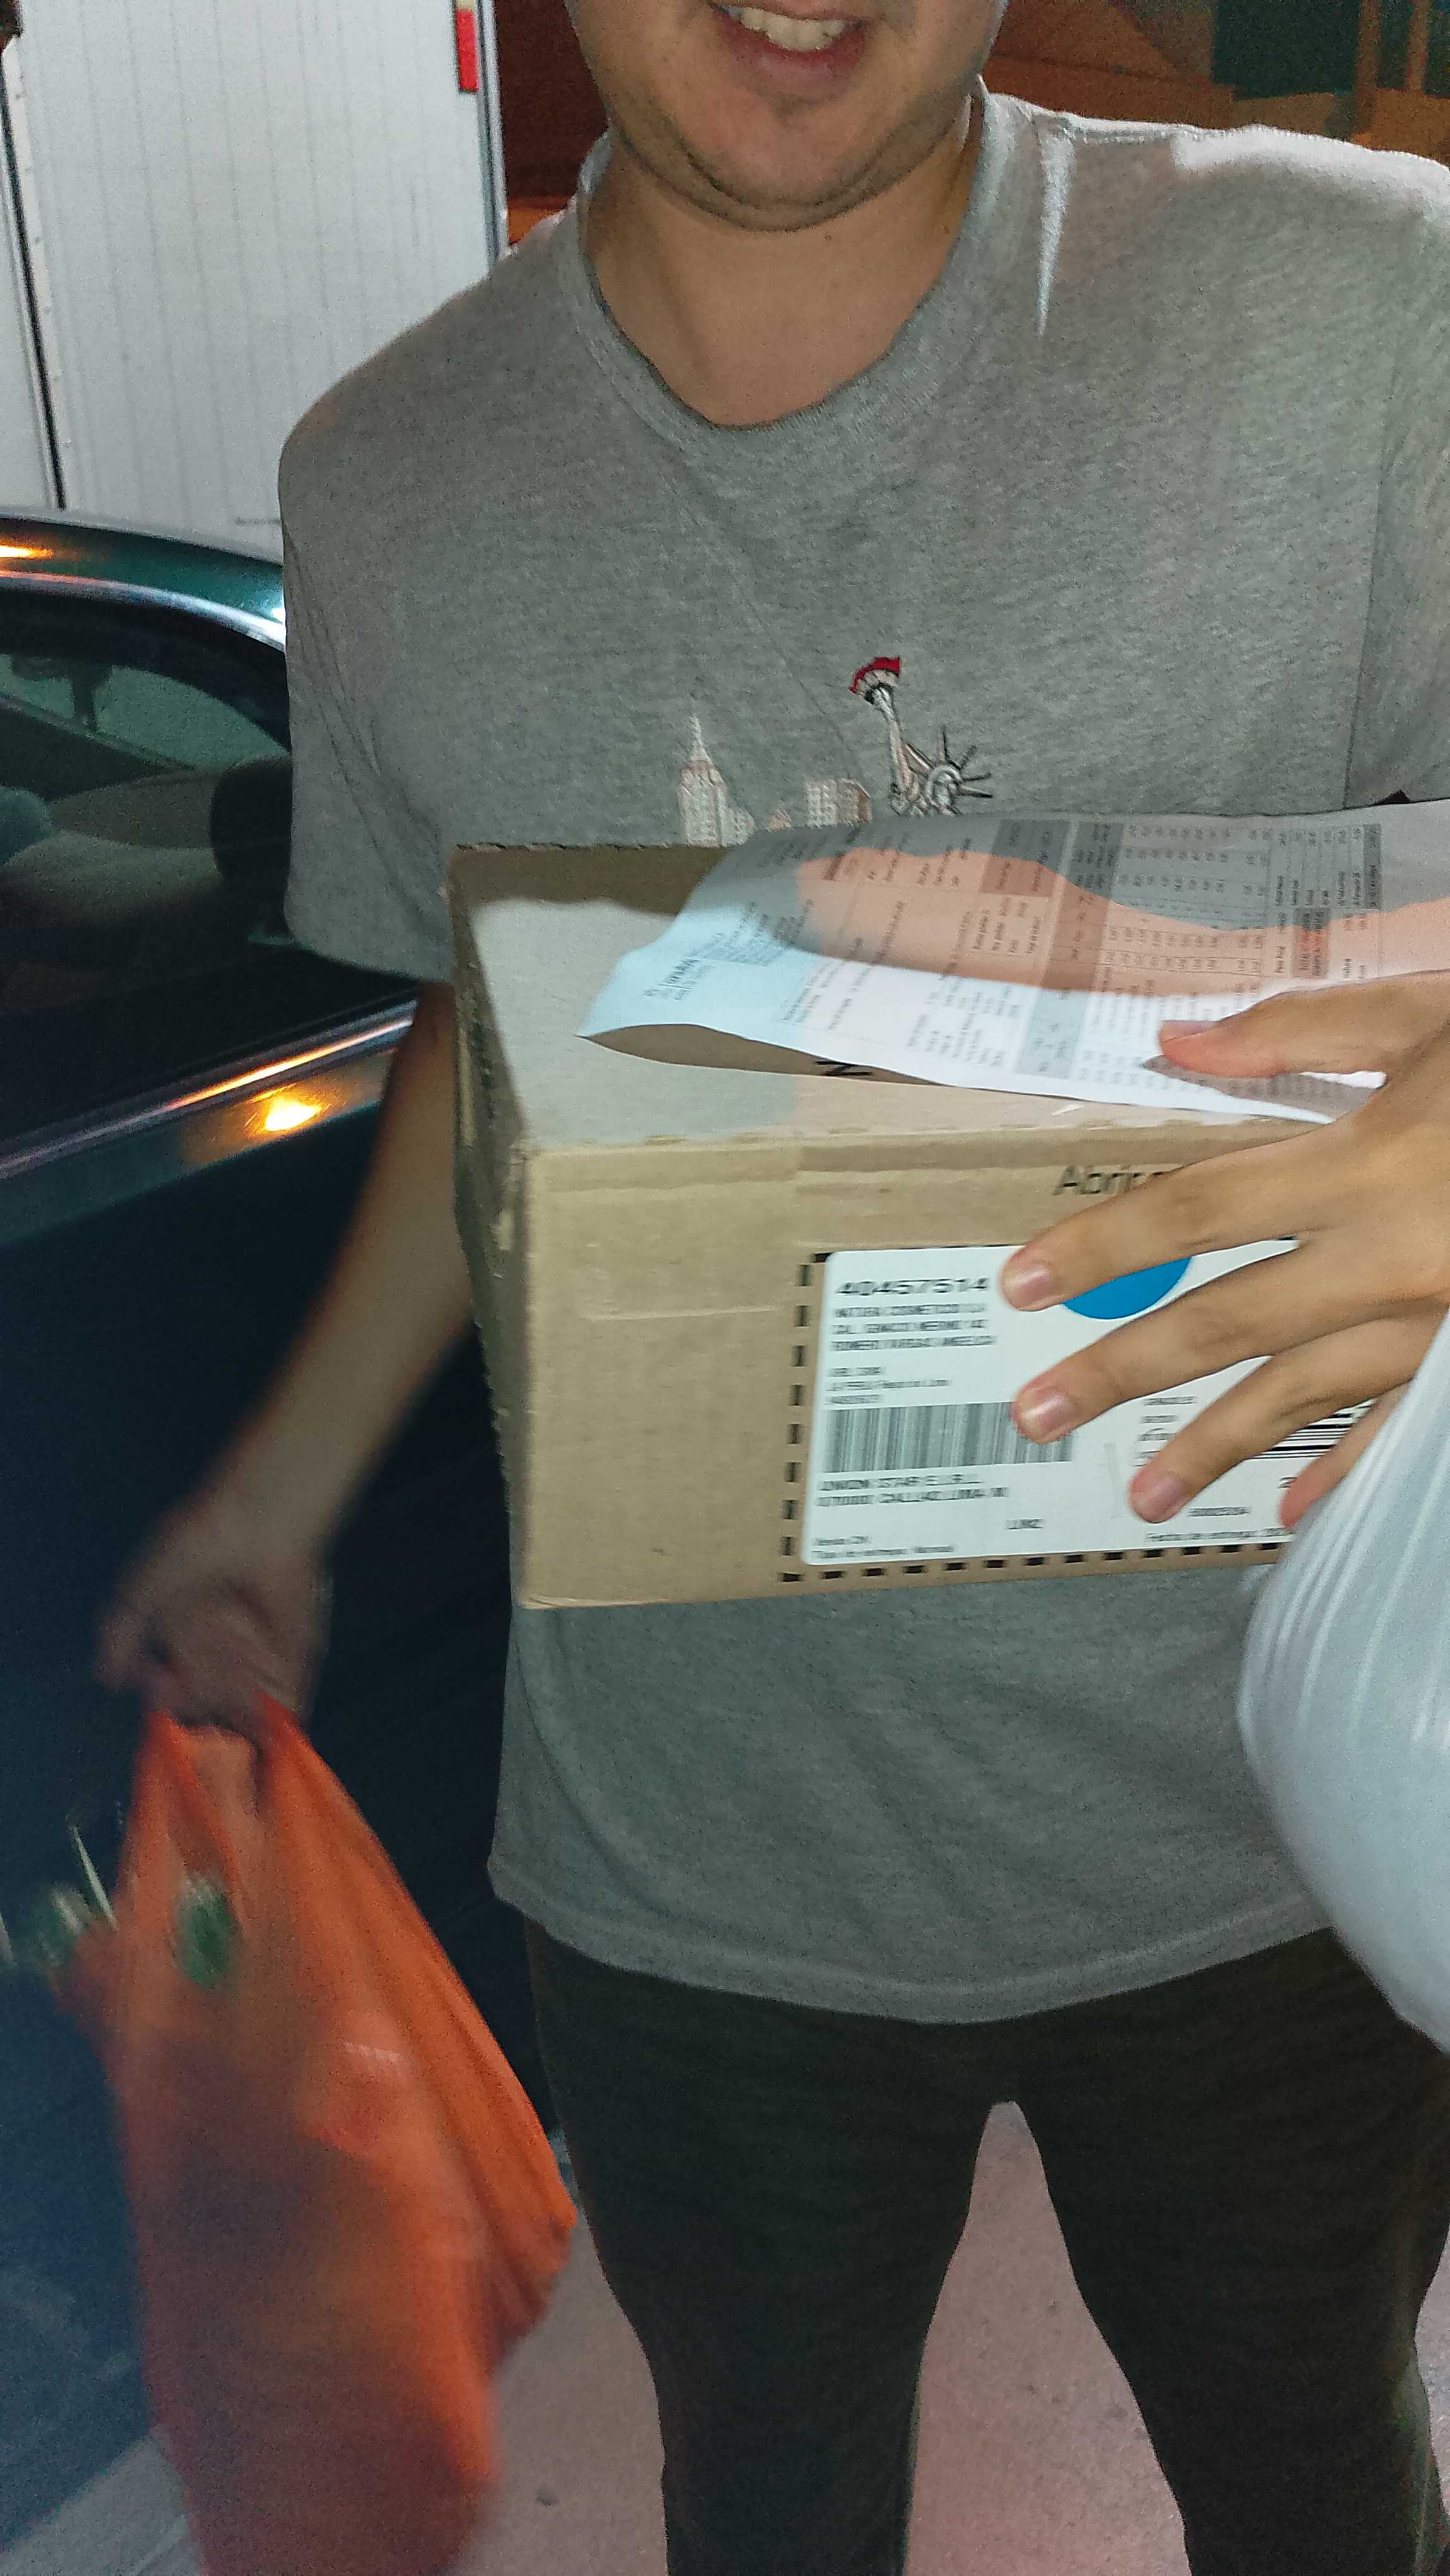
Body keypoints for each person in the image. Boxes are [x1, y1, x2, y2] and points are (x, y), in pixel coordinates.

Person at [97, 4, 1450, 2570]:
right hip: (696, 1862)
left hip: (1256, 1808)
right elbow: (494, 1024)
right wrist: (281, 1491)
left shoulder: (1360, 309)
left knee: (1316, 2496)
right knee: (768, 2511)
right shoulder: (387, 478)